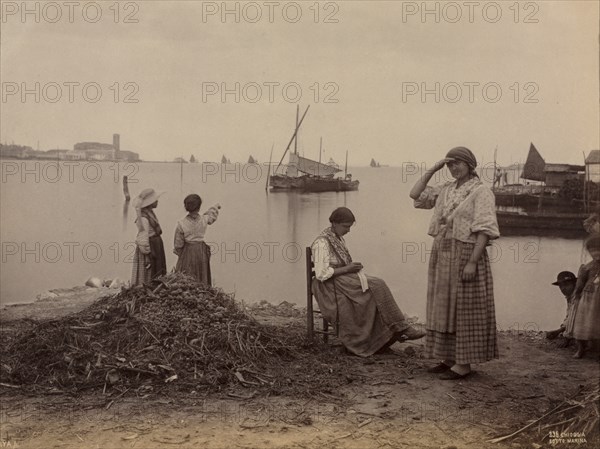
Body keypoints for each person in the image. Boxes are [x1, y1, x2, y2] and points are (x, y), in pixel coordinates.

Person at [409, 147, 500, 380]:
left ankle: (463, 364)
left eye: (458, 163)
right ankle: (448, 358)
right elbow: (415, 195)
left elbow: (485, 231)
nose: (453, 168)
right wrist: (433, 168)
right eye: (450, 164)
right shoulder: (447, 189)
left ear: (470, 165)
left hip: (467, 252)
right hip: (443, 251)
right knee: (444, 306)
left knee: (464, 308)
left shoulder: (481, 192)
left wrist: (472, 262)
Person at [311, 207, 425, 357]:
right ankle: (397, 329)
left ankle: (395, 331)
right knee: (376, 286)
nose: (348, 230)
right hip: (328, 285)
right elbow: (321, 274)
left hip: (341, 280)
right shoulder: (322, 243)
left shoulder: (336, 238)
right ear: (334, 223)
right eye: (346, 226)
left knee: (377, 285)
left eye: (350, 227)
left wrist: (350, 268)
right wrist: (348, 269)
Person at [173, 194, 220, 285]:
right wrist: (215, 207)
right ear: (199, 207)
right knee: (201, 273)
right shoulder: (204, 219)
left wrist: (180, 253)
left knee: (186, 274)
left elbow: (178, 244)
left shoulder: (181, 224)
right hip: (201, 250)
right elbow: (211, 216)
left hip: (188, 251)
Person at [570, 233, 600, 358]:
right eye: (593, 252)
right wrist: (576, 295)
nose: (596, 254)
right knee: (582, 322)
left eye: (598, 251)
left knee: (596, 323)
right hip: (588, 297)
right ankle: (580, 348)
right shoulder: (586, 267)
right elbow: (580, 284)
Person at [131, 188, 166, 286]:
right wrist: (147, 255)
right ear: (150, 203)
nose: (157, 201)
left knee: (157, 270)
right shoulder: (143, 218)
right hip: (149, 248)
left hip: (155, 244)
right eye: (155, 200)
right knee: (149, 271)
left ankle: (156, 287)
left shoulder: (150, 213)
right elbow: (143, 238)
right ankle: (147, 288)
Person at [545, 271, 578, 346]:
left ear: (574, 283)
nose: (563, 288)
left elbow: (575, 320)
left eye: (566, 285)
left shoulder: (579, 297)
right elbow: (569, 318)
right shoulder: (570, 298)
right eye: (561, 286)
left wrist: (567, 338)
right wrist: (558, 331)